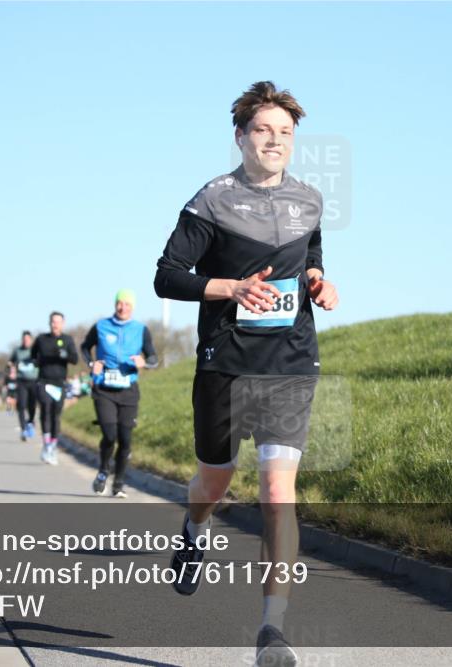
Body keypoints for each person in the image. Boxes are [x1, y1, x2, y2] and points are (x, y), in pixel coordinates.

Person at [153, 81, 339, 665]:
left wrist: (317, 281)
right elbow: (167, 276)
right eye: (264, 131)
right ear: (241, 137)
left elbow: (310, 257)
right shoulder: (211, 201)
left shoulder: (309, 200)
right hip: (226, 363)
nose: (275, 141)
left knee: (278, 492)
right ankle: (194, 529)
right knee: (214, 480)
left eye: (285, 133)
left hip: (289, 362)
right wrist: (230, 288)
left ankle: (272, 629)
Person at [80, 289, 158, 498]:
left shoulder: (141, 329)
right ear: (115, 305)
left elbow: (153, 357)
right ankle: (104, 470)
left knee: (125, 440)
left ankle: (119, 484)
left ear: (133, 307)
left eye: (127, 304)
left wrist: (145, 363)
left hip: (128, 391)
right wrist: (91, 363)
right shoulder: (101, 326)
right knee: (109, 435)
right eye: (119, 303)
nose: (123, 307)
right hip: (103, 388)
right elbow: (85, 347)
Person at [30, 312, 77, 465]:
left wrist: (65, 355)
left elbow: (75, 359)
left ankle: (53, 445)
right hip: (44, 381)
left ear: (63, 323)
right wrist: (37, 363)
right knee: (45, 409)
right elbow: (32, 355)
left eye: (58, 322)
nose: (55, 324)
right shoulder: (41, 339)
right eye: (52, 322)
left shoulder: (67, 340)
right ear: (49, 323)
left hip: (59, 383)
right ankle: (46, 444)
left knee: (55, 415)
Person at [10, 331, 39, 441]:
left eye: (28, 339)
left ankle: (30, 421)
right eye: (24, 339)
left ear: (31, 340)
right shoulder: (17, 351)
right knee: (21, 405)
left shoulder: (35, 350)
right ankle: (23, 429)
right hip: (21, 381)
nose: (26, 341)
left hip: (34, 381)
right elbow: (10, 362)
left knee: (32, 405)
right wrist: (11, 369)